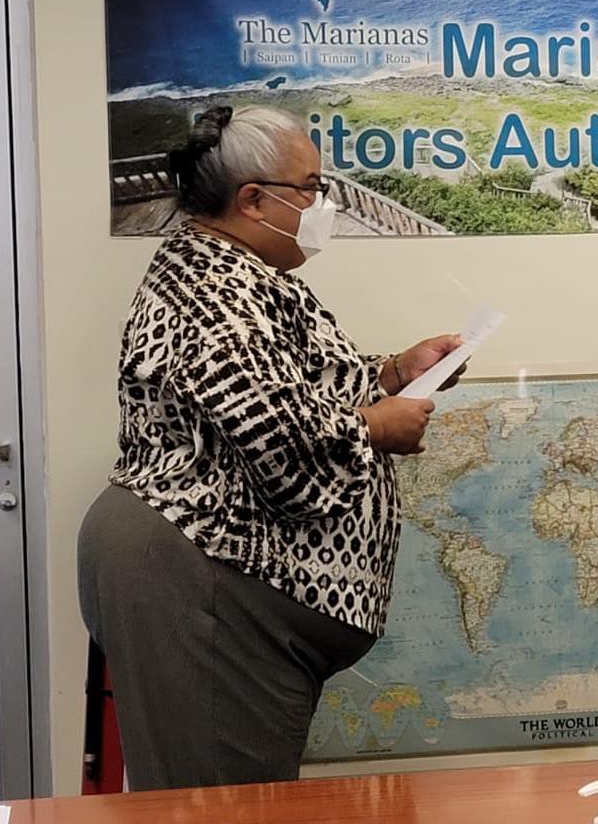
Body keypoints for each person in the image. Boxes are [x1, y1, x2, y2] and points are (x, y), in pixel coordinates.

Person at [78, 105, 466, 790]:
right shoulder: (209, 288)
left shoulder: (243, 273)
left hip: (215, 573)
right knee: (221, 807)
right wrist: (377, 428)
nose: (324, 204)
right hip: (201, 573)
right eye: (311, 188)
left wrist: (392, 373)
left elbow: (295, 386)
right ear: (254, 200)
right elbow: (278, 435)